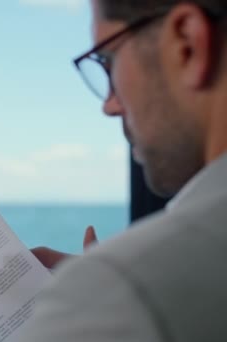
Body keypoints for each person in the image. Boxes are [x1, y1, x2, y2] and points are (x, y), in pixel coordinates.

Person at [23, 0, 227, 341]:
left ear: (187, 45)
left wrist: (113, 288)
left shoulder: (123, 294)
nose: (109, 105)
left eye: (107, 60)